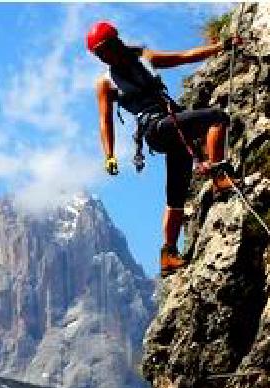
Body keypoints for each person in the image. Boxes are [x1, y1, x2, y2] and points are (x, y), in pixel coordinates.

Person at [87, 21, 240, 277]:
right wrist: (109, 155)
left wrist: (221, 47)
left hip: (169, 126)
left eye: (104, 50)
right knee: (216, 117)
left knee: (176, 193)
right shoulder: (105, 83)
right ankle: (219, 176)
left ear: (115, 42)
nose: (103, 57)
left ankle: (168, 253)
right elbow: (105, 120)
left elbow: (182, 56)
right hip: (156, 128)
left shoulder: (144, 58)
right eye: (98, 54)